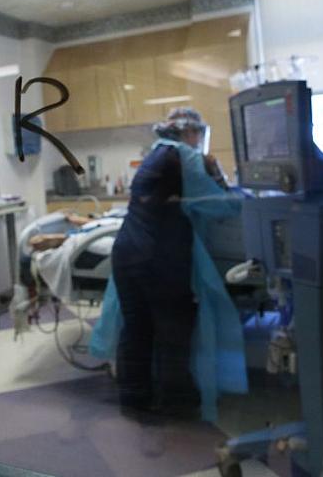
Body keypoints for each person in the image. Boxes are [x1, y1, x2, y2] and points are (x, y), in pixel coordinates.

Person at [98, 107, 247, 423]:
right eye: (198, 134)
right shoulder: (186, 156)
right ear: (190, 132)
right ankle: (177, 403)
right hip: (157, 258)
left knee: (137, 328)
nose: (199, 140)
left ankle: (134, 400)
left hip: (127, 252)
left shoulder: (156, 153)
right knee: (173, 330)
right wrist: (217, 172)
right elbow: (223, 206)